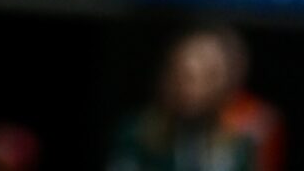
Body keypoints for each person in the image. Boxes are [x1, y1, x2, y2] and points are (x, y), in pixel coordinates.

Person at [107, 25, 262, 171]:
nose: (192, 87)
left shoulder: (237, 149)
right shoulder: (137, 136)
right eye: (185, 74)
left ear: (227, 83)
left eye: (208, 76)